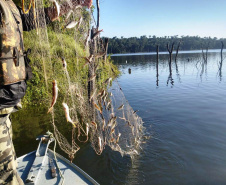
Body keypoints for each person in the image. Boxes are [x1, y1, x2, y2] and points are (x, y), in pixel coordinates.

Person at [0, 0, 92, 184]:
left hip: (5, 110)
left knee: (10, 170)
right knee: (7, 177)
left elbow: (29, 20)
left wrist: (71, 4)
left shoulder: (7, 6)